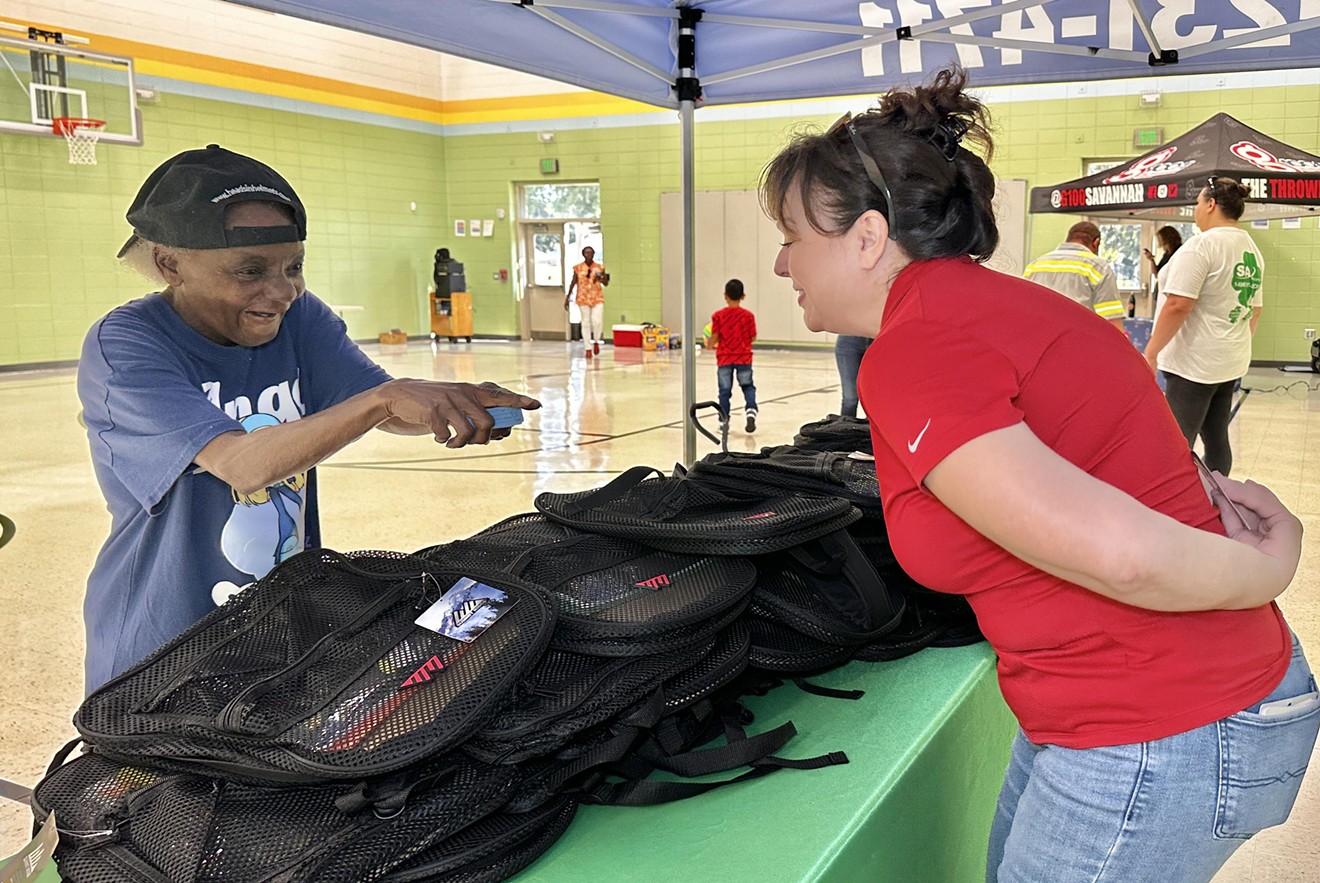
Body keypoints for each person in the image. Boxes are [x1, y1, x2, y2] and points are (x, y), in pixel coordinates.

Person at [760, 67, 1316, 883]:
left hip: (1161, 722)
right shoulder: (994, 309)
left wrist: (1272, 567)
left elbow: (1122, 552)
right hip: (1148, 711)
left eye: (791, 238)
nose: (780, 265)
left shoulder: (919, 347)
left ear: (869, 238)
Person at [78, 145, 541, 693]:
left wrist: (444, 403)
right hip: (162, 640)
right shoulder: (127, 344)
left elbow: (380, 405)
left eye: (293, 266)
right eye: (250, 271)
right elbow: (242, 464)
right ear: (169, 264)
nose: (282, 291)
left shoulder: (300, 318)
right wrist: (385, 400)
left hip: (276, 621)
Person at [1144, 178, 1262, 477]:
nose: (1195, 209)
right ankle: (1219, 500)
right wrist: (1231, 346)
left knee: (1177, 442)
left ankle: (1175, 508)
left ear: (1210, 204)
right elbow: (1255, 310)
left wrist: (1152, 351)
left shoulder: (1202, 245)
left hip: (1193, 364)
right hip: (1227, 361)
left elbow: (1178, 304)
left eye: (1197, 202)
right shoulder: (1250, 248)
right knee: (1217, 437)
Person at [1022, 221, 1127, 332]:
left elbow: (1023, 309)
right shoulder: (1097, 267)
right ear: (1096, 243)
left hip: (1040, 337)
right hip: (1077, 339)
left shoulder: (1034, 266)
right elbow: (1111, 318)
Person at [708, 278, 758, 432]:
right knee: (747, 386)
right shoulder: (748, 316)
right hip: (743, 357)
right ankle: (750, 411)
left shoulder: (718, 316)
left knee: (724, 391)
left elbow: (715, 335)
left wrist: (709, 344)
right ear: (743, 296)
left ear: (725, 296)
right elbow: (753, 337)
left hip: (724, 358)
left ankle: (724, 421)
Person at [564, 246, 609, 358]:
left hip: (597, 297)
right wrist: (568, 296)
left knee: (597, 321)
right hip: (583, 298)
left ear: (593, 254)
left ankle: (597, 340)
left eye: (590, 253)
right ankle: (587, 347)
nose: (588, 255)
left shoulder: (599, 267)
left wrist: (602, 277)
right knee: (585, 322)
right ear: (583, 254)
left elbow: (606, 283)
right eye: (586, 253)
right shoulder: (578, 268)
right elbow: (573, 282)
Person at [834, 335, 873, 418]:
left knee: (874, 401)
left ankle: (871, 430)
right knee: (850, 398)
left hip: (878, 339)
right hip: (849, 342)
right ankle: (846, 429)